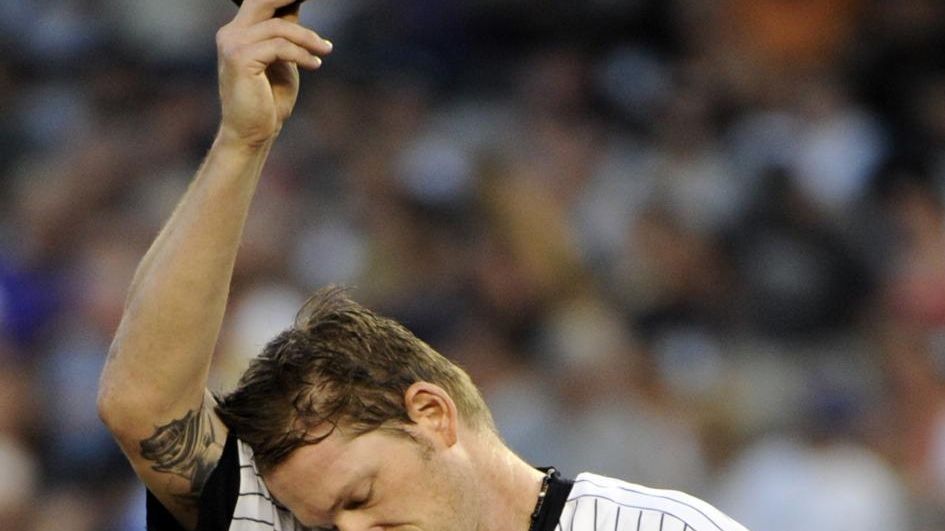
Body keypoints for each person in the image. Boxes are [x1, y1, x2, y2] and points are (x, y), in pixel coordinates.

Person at [97, 1, 751, 530]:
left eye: (360, 497)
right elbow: (142, 404)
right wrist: (243, 142)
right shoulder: (298, 505)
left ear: (433, 415)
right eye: (327, 526)